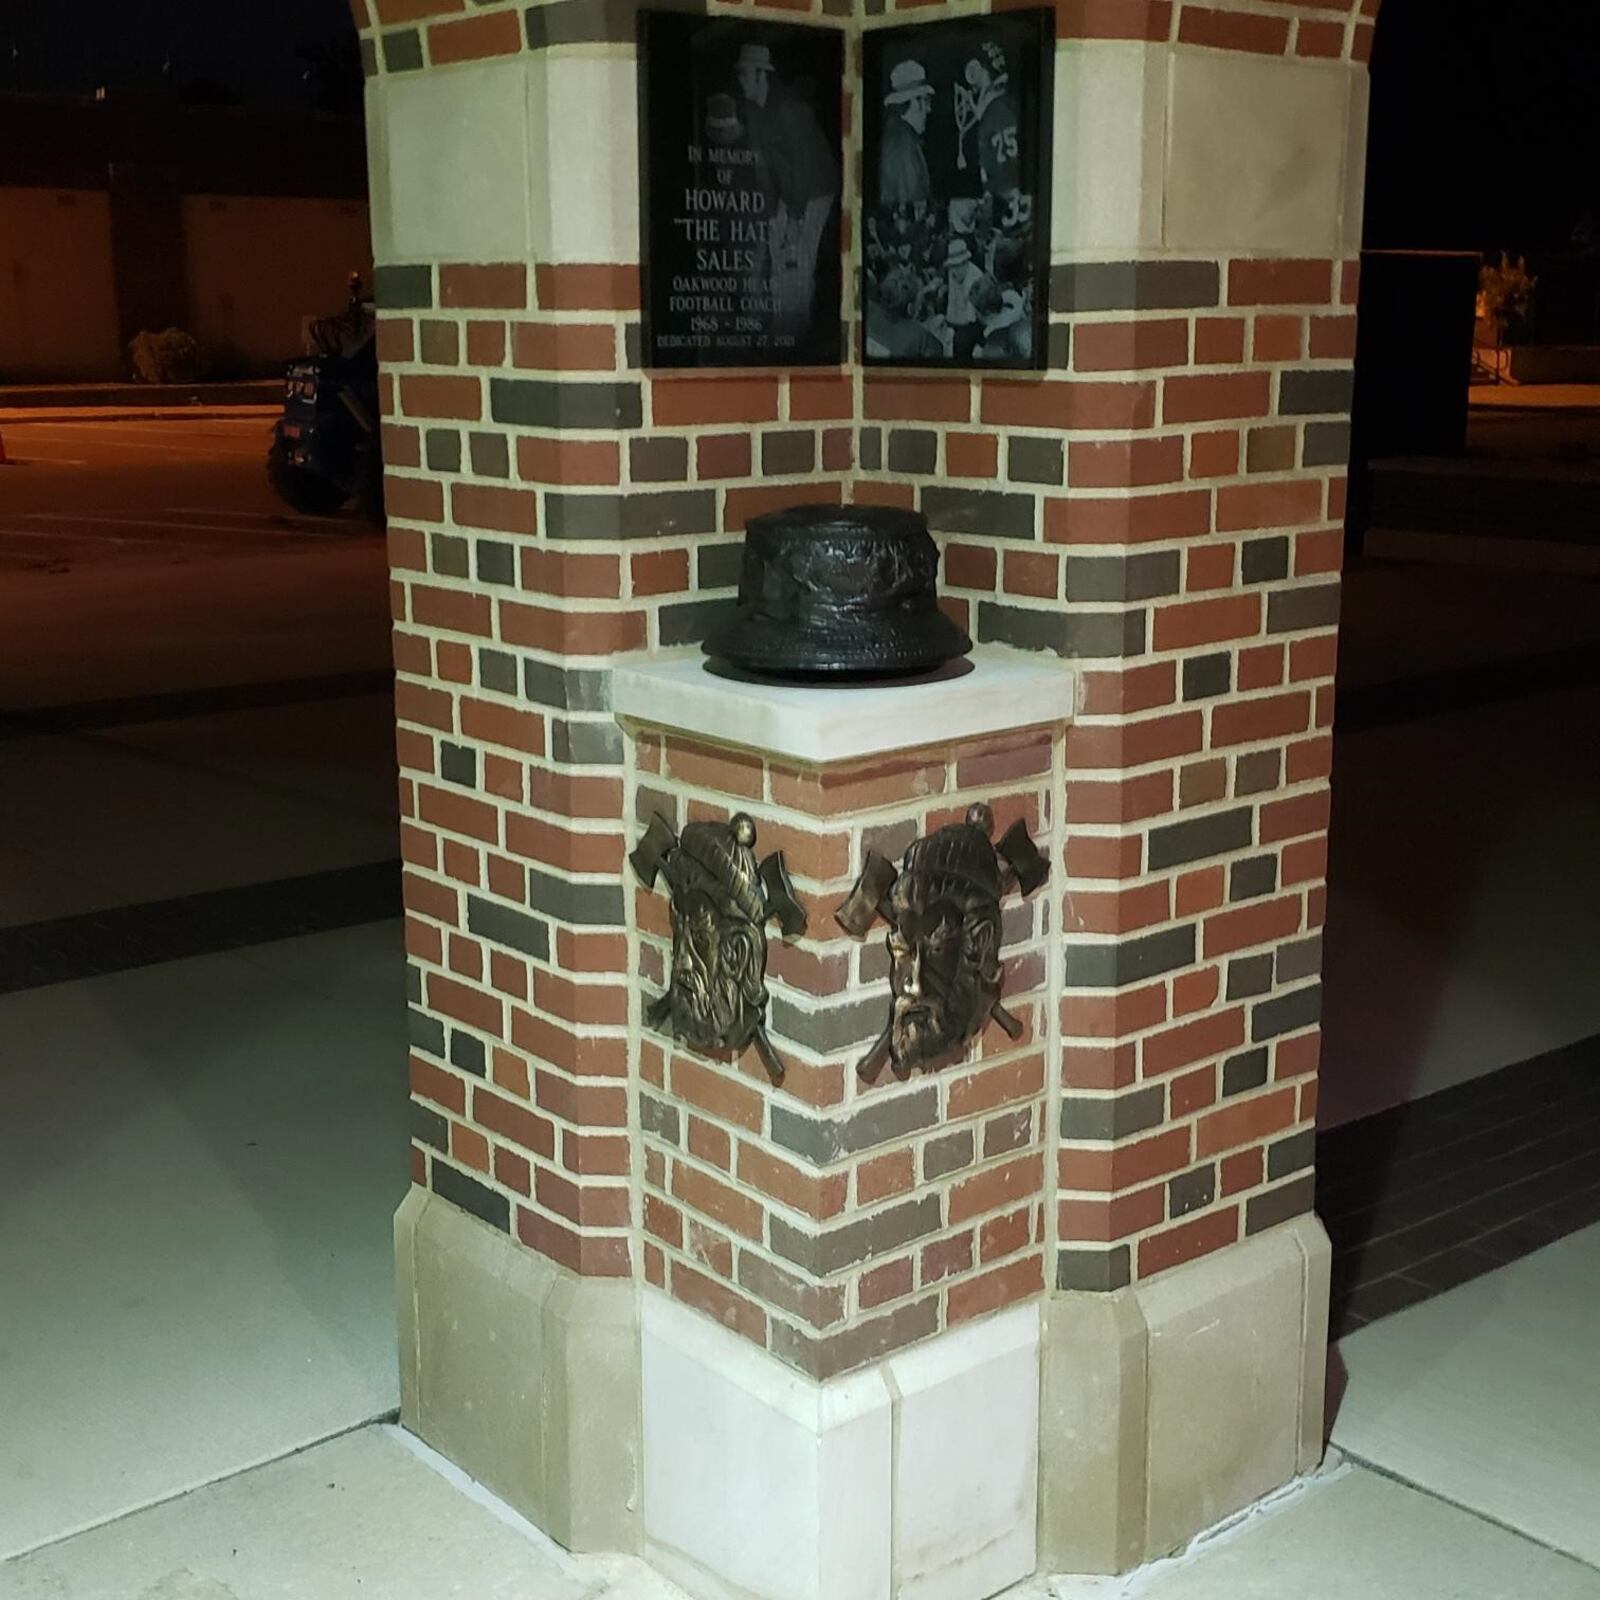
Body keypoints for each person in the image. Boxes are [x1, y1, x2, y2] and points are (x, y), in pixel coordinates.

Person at [735, 41, 838, 340]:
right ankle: (783, 327)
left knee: (798, 257)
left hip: (815, 191)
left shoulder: (790, 109)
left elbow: (803, 169)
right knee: (779, 254)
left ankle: (796, 330)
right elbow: (764, 170)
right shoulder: (755, 112)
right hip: (787, 191)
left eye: (745, 74)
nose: (741, 81)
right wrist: (769, 217)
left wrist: (794, 219)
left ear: (761, 75)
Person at [878, 58, 934, 209]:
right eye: (926, 101)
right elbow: (912, 198)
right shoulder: (902, 145)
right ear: (914, 102)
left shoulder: (899, 135)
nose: (929, 110)